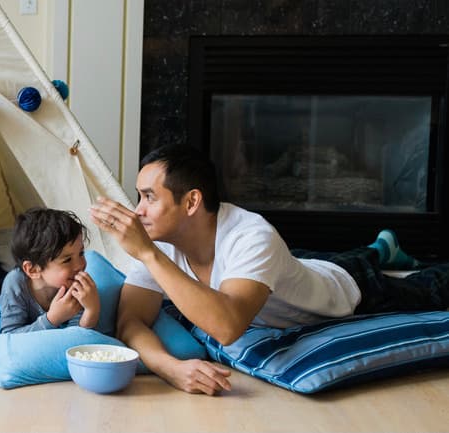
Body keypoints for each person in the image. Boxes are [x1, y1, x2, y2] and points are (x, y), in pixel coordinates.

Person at [89, 143, 449, 395]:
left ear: (192, 202)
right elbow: (129, 322)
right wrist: (171, 368)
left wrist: (149, 255)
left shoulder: (252, 236)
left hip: (351, 288)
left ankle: (378, 254)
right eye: (138, 197)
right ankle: (380, 248)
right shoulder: (162, 238)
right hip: (291, 269)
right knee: (321, 259)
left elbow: (227, 327)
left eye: (149, 197)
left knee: (431, 286)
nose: (137, 211)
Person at [0, 207, 100, 333]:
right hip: (8, 287)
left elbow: (78, 335)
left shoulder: (74, 284)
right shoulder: (16, 283)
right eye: (67, 260)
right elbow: (10, 335)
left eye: (81, 253)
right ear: (33, 270)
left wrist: (91, 309)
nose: (80, 265)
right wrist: (52, 319)